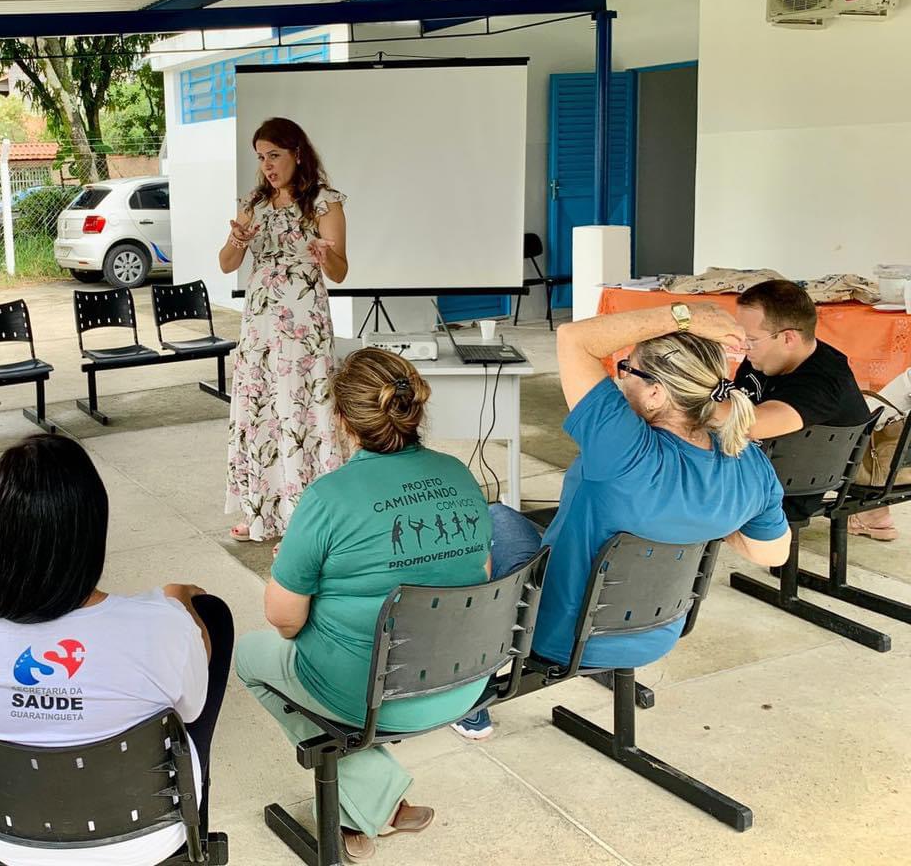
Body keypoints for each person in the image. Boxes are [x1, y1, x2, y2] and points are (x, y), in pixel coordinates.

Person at [452, 303, 791, 743]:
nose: (618, 377)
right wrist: (704, 518)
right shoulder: (749, 463)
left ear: (656, 394)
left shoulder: (622, 449)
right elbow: (773, 553)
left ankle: (470, 697)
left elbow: (574, 338)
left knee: (494, 518)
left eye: (628, 369)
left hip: (560, 636)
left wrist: (683, 316)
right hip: (656, 633)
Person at [0, 434, 232, 866]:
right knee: (213, 616)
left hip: (5, 839)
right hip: (146, 841)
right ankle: (194, 830)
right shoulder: (159, 624)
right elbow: (193, 709)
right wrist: (180, 603)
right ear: (93, 528)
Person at [236, 349, 484, 861]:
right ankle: (377, 798)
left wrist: (306, 573)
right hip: (462, 681)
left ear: (343, 420)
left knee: (249, 658)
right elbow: (476, 578)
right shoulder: (459, 474)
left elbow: (284, 620)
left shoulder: (327, 497)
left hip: (374, 696)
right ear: (415, 407)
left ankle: (371, 797)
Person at [220, 117, 348, 543]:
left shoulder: (324, 203)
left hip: (305, 325)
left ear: (297, 153)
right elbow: (226, 264)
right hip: (260, 325)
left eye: (274, 155)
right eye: (261, 157)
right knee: (263, 410)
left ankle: (306, 515)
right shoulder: (253, 202)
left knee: (303, 409)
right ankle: (262, 511)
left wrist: (322, 255)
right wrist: (238, 240)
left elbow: (341, 271)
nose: (267, 165)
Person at [731, 280, 877, 534]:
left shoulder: (823, 381)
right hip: (760, 471)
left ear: (788, 338)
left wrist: (686, 401)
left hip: (790, 490)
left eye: (751, 339)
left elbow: (749, 424)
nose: (742, 347)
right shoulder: (766, 359)